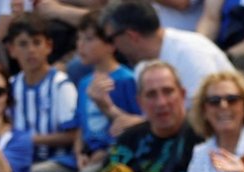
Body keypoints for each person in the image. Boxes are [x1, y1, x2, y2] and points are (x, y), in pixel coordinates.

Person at [99, 0, 231, 101]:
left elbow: (206, 113)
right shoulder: (143, 66)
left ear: (131, 36)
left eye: (110, 39)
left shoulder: (191, 52)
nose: (112, 47)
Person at [5, 15, 78, 172]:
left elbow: (73, 135)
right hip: (19, 160)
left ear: (48, 46)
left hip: (58, 162)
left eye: (37, 42)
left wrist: (30, 140)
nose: (31, 50)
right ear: (11, 50)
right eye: (23, 44)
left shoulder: (61, 85)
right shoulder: (9, 86)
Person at [72, 13, 141, 172]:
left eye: (88, 39)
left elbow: (138, 123)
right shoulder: (84, 82)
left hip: (118, 155)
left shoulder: (127, 79)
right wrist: (80, 153)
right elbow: (81, 127)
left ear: (111, 45)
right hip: (89, 154)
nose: (81, 45)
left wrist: (106, 153)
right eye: (79, 39)